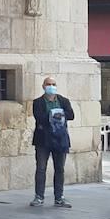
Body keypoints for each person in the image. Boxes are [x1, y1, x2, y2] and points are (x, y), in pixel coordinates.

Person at [30, 76, 74, 209]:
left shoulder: (63, 100)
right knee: (41, 169)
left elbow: (71, 115)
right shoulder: (38, 102)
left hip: (60, 138)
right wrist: (53, 114)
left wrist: (58, 114)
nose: (51, 86)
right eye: (48, 84)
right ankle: (39, 197)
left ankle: (59, 197)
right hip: (43, 139)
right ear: (43, 86)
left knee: (60, 169)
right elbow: (39, 117)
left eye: (53, 84)